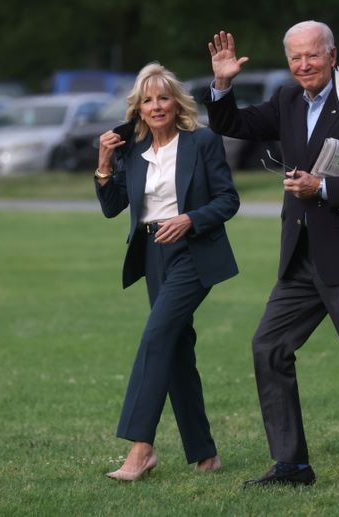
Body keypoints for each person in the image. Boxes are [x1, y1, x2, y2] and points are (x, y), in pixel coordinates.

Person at [205, 21, 339, 486]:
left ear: (332, 56)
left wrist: (322, 187)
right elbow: (232, 124)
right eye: (295, 58)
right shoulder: (286, 101)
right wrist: (222, 84)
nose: (303, 66)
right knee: (268, 347)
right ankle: (292, 466)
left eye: (312, 56)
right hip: (300, 258)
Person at [95, 62, 239, 481]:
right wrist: (105, 162)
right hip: (153, 256)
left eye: (162, 97)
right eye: (147, 100)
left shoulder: (203, 141)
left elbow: (229, 200)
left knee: (156, 337)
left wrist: (191, 219)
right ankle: (205, 453)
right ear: (137, 108)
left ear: (176, 103)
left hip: (194, 253)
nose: (156, 106)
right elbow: (111, 208)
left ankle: (141, 449)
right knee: (175, 351)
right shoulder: (133, 150)